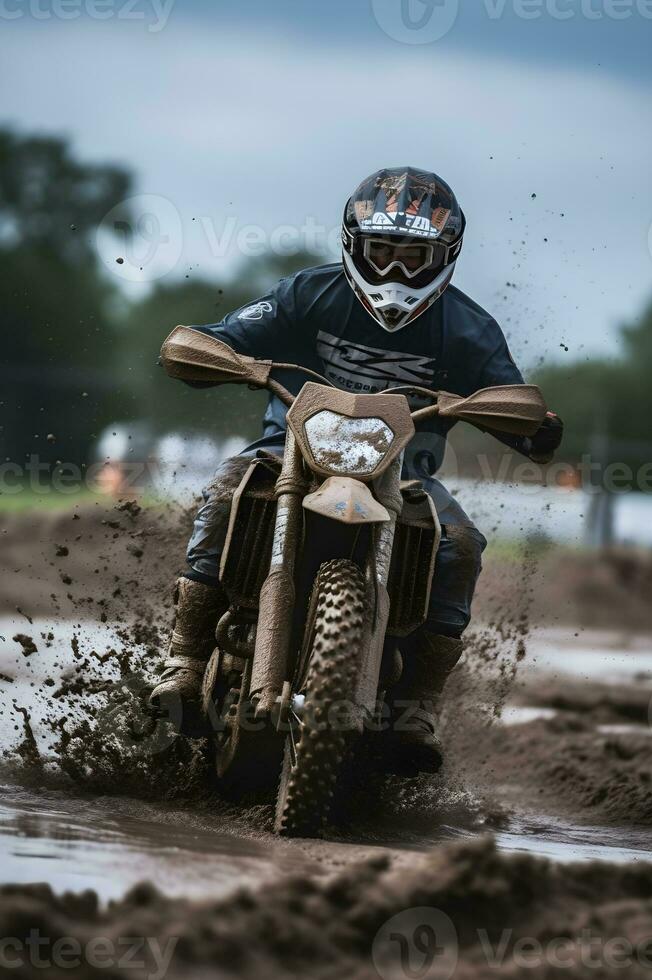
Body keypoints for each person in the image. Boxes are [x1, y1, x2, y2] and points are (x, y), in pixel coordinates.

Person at [150, 166, 563, 773]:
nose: (396, 270)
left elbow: (516, 410)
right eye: (383, 252)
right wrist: (220, 354)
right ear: (354, 244)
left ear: (443, 256)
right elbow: (224, 335)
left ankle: (418, 703)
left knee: (462, 544)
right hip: (285, 452)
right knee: (226, 489)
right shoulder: (307, 293)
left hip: (407, 476)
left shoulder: (470, 330)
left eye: (412, 256)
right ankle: (184, 662)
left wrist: (532, 424)